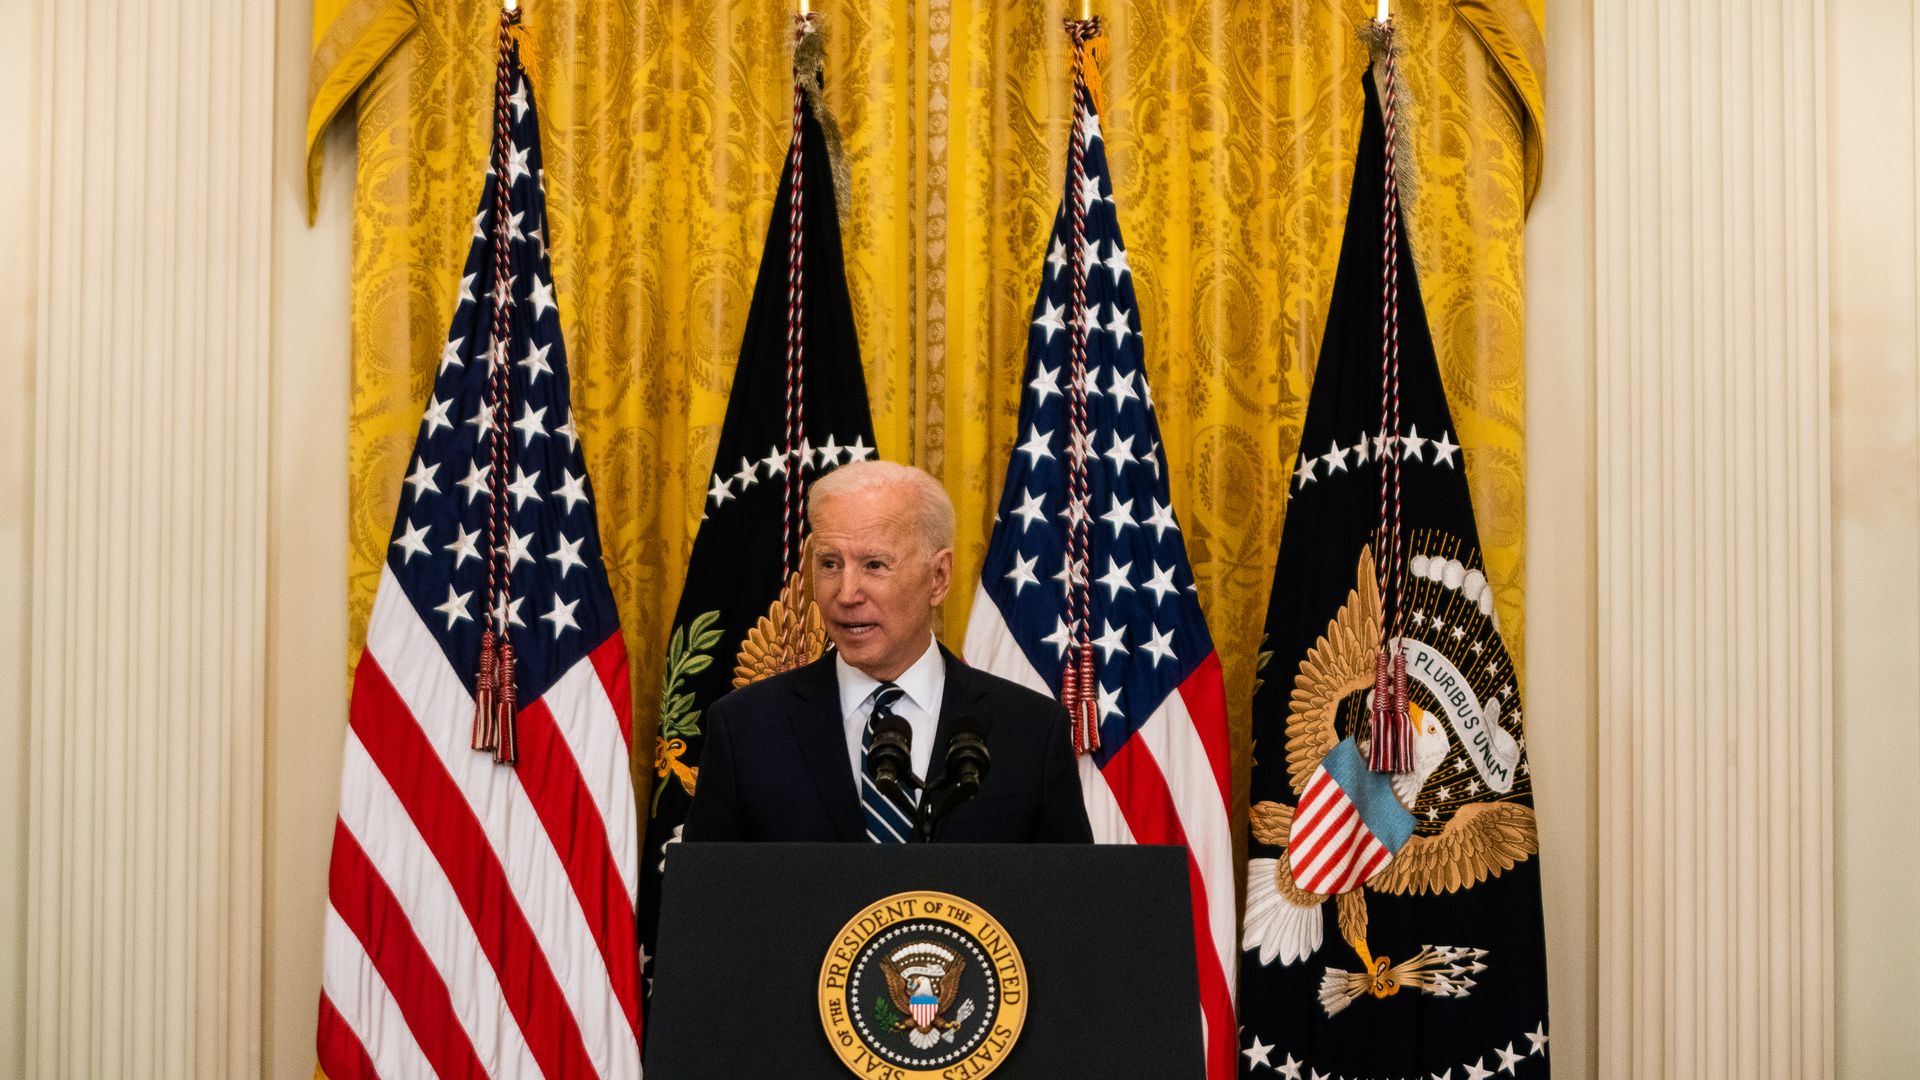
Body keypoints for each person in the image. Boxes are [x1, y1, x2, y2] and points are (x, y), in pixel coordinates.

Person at [683, 460, 1093, 844]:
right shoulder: (745, 729)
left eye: (874, 565)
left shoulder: (1030, 732)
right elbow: (707, 909)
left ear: (938, 577)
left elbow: (1067, 910)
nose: (846, 594)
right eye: (829, 564)